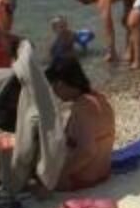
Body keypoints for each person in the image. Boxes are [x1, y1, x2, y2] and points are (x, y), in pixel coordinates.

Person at [45, 58, 115, 191]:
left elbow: (87, 151)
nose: (54, 92)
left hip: (82, 179)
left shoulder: (82, 107)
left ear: (60, 84)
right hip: (103, 172)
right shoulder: (99, 98)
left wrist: (60, 175)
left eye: (53, 87)